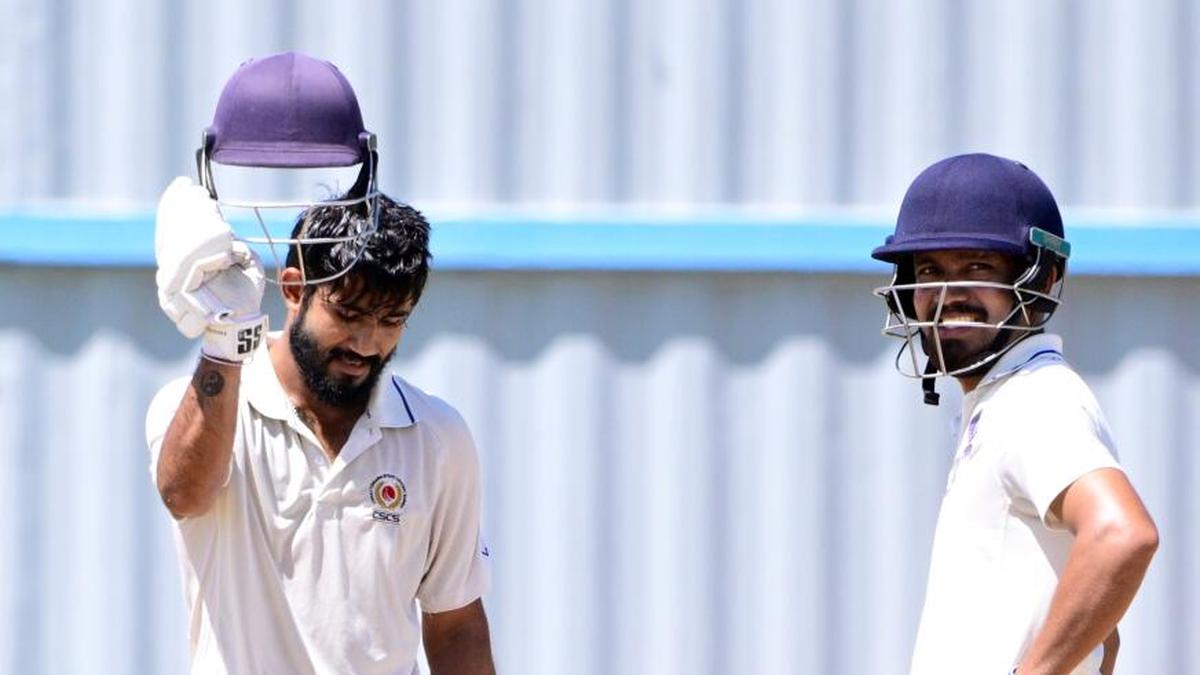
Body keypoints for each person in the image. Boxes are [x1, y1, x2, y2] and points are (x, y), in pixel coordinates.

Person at [145, 52, 495, 674]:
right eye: (349, 313)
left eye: (392, 321)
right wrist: (223, 341)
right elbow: (183, 493)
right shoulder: (208, 404)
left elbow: (457, 626)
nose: (367, 343)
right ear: (292, 289)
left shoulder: (439, 438)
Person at [871, 153, 1158, 675]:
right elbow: (1105, 637)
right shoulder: (1000, 402)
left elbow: (1123, 534)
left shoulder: (1034, 399)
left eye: (979, 267)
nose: (948, 294)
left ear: (1043, 278)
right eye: (930, 270)